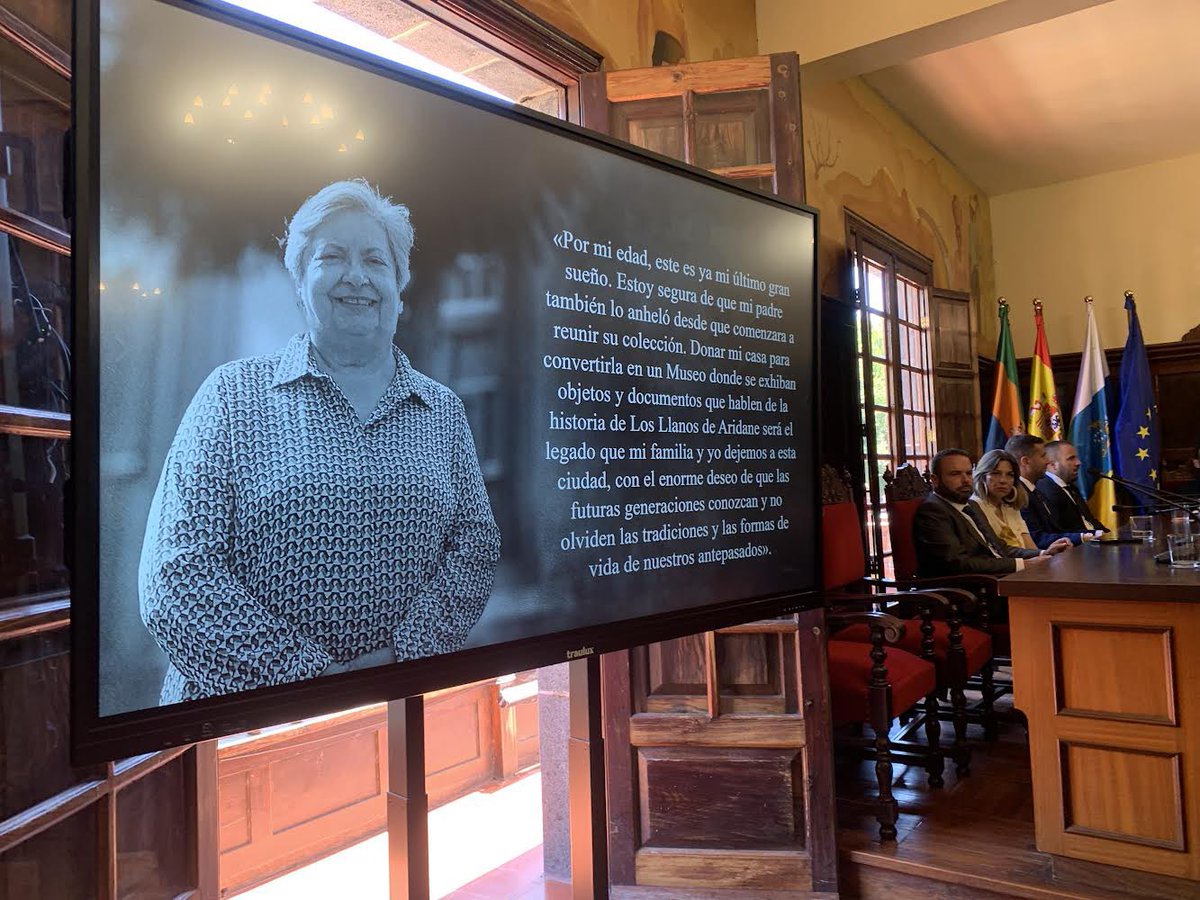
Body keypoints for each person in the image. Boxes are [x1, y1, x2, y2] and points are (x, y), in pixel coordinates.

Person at [139, 179, 501, 705]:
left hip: (401, 712)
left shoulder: (442, 411)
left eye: (376, 261)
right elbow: (175, 575)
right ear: (299, 280)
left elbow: (476, 548)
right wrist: (306, 680)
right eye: (332, 257)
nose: (356, 277)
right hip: (237, 731)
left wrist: (401, 659)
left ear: (400, 285)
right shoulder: (233, 396)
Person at [914, 448, 1070, 578]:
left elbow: (1000, 548)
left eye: (968, 473)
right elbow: (957, 562)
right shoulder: (933, 511)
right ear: (935, 480)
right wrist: (1022, 564)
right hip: (968, 590)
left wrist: (1043, 553)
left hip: (995, 578)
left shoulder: (969, 506)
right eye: (955, 474)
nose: (966, 480)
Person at [1005, 433, 1093, 548]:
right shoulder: (1017, 494)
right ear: (1026, 461)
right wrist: (1083, 537)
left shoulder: (1036, 491)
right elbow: (1037, 538)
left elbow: (1056, 530)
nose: (1047, 462)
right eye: (1043, 456)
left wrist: (1093, 534)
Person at [970, 449, 1036, 550]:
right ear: (982, 476)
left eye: (1010, 475)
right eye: (996, 473)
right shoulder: (974, 506)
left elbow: (1030, 547)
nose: (1003, 480)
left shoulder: (1010, 508)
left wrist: (1046, 553)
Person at [1039, 440, 1108, 536]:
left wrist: (1110, 535)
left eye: (1076, 458)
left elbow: (1089, 520)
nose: (1078, 463)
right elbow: (1062, 530)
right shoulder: (1046, 490)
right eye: (1071, 459)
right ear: (1052, 464)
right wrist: (1099, 534)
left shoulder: (1071, 487)